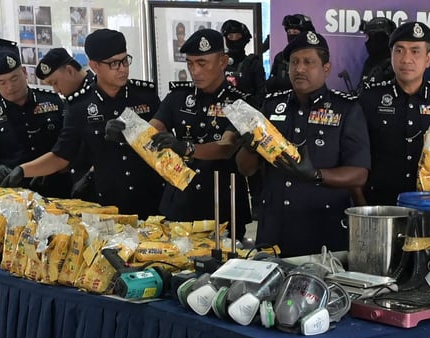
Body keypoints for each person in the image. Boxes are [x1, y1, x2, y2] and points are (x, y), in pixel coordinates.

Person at [236, 29, 369, 256]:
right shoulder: (270, 106)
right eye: (294, 62)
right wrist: (250, 146)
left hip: (323, 230)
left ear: (326, 69)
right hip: (274, 228)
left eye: (309, 62)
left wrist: (316, 174)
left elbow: (359, 174)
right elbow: (245, 168)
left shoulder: (346, 109)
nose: (299, 69)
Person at [10, 29, 164, 218]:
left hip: (151, 202)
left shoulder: (146, 96)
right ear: (95, 66)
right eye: (114, 63)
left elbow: (163, 141)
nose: (123, 68)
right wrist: (22, 170)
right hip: (107, 207)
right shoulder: (80, 106)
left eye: (125, 60)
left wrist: (134, 130)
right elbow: (61, 156)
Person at [150, 28, 251, 231]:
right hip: (180, 202)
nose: (195, 71)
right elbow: (152, 131)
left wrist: (187, 148)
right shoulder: (178, 97)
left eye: (202, 63)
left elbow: (227, 146)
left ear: (223, 61)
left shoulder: (240, 103)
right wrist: (128, 130)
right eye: (190, 63)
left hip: (222, 206)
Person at [359, 21, 430, 204]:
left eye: (415, 51)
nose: (406, 59)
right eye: (399, 50)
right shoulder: (370, 98)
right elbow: (355, 159)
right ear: (390, 56)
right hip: (382, 204)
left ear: (428, 59)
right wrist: (362, 205)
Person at [0, 50, 70, 197]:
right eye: (2, 82)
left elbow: (70, 145)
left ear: (24, 73)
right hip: (14, 193)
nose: (10, 87)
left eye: (14, 78)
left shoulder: (52, 101)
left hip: (56, 187)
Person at [34, 47, 95, 198]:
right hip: (77, 184)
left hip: (103, 185)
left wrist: (92, 175)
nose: (55, 90)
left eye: (55, 82)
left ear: (69, 70)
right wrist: (50, 169)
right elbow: (69, 146)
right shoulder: (72, 98)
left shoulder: (98, 92)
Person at [265, 14, 313, 94]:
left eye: (295, 32)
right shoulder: (280, 57)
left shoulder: (313, 58)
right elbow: (270, 85)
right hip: (282, 103)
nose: (291, 35)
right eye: (289, 32)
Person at [221, 20, 264, 100]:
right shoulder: (219, 63)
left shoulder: (253, 64)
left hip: (246, 109)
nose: (234, 40)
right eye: (230, 36)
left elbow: (261, 95)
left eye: (237, 36)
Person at [359, 17, 395, 88]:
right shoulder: (371, 61)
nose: (367, 42)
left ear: (379, 38)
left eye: (369, 37)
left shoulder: (393, 65)